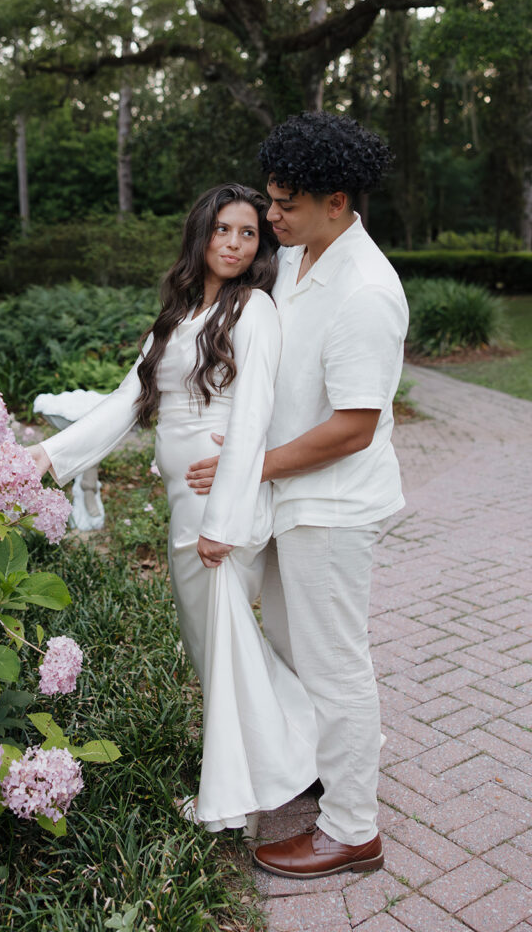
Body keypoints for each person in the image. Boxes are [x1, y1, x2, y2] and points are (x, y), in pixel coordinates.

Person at [30, 184, 319, 834]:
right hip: (185, 504)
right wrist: (46, 458)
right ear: (202, 234)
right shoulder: (184, 311)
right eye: (224, 230)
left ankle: (234, 802)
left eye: (249, 233)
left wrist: (223, 520)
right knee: (211, 646)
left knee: (223, 650)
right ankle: (317, 743)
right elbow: (126, 401)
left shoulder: (255, 311)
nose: (236, 243)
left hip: (223, 504)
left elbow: (252, 419)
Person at [187, 113, 409, 877]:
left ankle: (352, 828)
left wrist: (251, 469)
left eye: (284, 204)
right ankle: (316, 769)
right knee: (290, 645)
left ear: (338, 202)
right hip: (293, 499)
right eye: (271, 200)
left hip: (335, 507)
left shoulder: (366, 292)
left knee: (336, 663)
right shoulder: (299, 259)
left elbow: (353, 426)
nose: (269, 216)